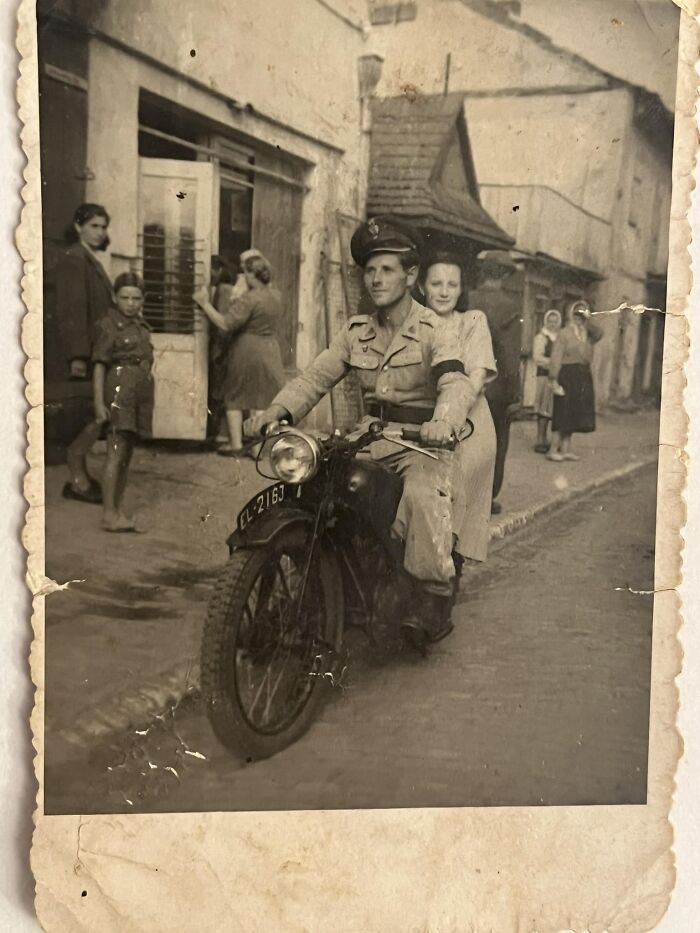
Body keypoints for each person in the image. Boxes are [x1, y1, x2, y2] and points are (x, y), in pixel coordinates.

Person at [246, 218, 477, 650]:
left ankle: (432, 595)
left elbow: (455, 381)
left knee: (423, 497)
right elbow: (316, 377)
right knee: (320, 485)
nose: (376, 278)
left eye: (388, 269)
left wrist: (443, 420)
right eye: (370, 270)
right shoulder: (357, 332)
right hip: (369, 436)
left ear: (410, 276)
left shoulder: (437, 329)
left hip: (419, 442)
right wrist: (276, 410)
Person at [419, 252, 497, 564]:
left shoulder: (472, 321)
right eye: (436, 283)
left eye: (452, 284)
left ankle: (447, 581)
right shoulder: (416, 323)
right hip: (425, 420)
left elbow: (476, 377)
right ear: (422, 286)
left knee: (452, 496)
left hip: (470, 423)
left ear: (461, 289)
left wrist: (448, 416)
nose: (444, 291)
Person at [194, 251, 284, 456]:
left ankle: (236, 447)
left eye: (245, 273)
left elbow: (225, 324)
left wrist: (205, 304)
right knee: (261, 399)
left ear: (252, 275)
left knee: (234, 397)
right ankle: (258, 450)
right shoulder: (276, 296)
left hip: (246, 350)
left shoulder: (249, 299)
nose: (242, 277)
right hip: (269, 349)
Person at [54, 203, 113, 503]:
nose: (100, 232)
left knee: (97, 412)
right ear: (78, 227)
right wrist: (77, 357)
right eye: (94, 226)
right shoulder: (74, 260)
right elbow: (72, 311)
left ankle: (79, 473)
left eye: (103, 227)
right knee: (92, 413)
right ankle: (77, 476)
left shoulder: (88, 258)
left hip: (96, 349)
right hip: (85, 353)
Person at [92, 272, 154, 532]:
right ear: (114, 297)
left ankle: (116, 511)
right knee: (116, 452)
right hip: (118, 391)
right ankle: (108, 514)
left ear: (142, 300)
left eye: (136, 298)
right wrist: (98, 403)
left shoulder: (141, 326)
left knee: (126, 453)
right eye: (125, 297)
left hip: (137, 393)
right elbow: (98, 365)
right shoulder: (108, 325)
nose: (130, 303)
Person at [470, 251, 523, 515]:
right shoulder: (511, 307)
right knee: (495, 443)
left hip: (465, 381)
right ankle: (486, 498)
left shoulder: (466, 299)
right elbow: (511, 358)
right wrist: (516, 394)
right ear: (503, 275)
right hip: (497, 389)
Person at [547, 299, 602, 462]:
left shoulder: (587, 333)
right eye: (576, 315)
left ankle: (565, 450)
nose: (579, 318)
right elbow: (556, 357)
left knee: (574, 413)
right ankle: (552, 450)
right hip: (567, 375)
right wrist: (553, 379)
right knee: (562, 411)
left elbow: (600, 333)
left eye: (582, 316)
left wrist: (588, 319)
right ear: (571, 315)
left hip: (583, 376)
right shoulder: (564, 333)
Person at [207, 255, 235, 445]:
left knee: (220, 390)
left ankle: (221, 433)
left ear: (218, 271)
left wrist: (219, 350)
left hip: (223, 348)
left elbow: (224, 322)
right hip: (222, 347)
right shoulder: (221, 289)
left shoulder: (224, 290)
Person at [532, 308, 563, 453]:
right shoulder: (541, 337)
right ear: (546, 322)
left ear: (559, 322)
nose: (552, 324)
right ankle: (540, 439)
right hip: (544, 377)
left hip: (559, 378)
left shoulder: (561, 338)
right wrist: (555, 362)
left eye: (555, 321)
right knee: (544, 410)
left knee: (555, 410)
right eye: (549, 321)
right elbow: (538, 358)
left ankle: (553, 441)